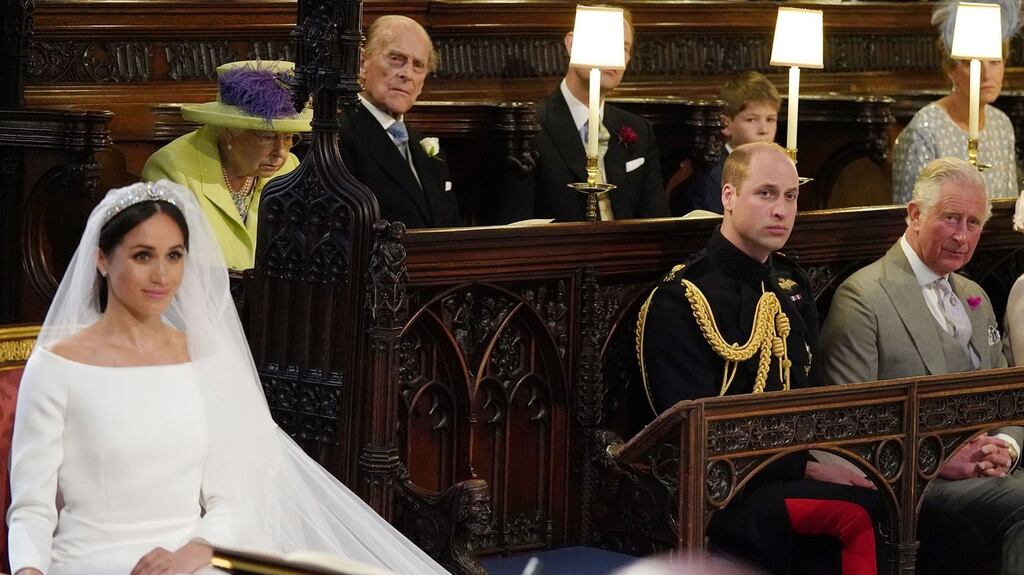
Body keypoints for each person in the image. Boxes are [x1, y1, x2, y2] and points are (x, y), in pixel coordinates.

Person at [7, 181, 450, 575]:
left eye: (174, 256)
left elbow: (232, 494)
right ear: (102, 260)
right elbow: (31, 506)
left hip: (193, 561)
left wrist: (196, 550)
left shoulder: (204, 360)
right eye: (143, 256)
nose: (162, 275)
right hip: (89, 561)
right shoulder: (57, 366)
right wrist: (28, 569)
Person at [638, 142, 883, 575]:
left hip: (790, 467)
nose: (781, 210)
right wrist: (804, 466)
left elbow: (809, 392)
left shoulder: (789, 281)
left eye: (790, 196)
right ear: (728, 197)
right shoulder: (681, 298)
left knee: (894, 495)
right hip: (724, 487)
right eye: (766, 193)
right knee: (857, 511)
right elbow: (692, 429)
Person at [820, 157, 1024, 574]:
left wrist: (1007, 447)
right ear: (914, 214)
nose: (962, 236)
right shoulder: (864, 298)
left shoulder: (975, 296)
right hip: (915, 485)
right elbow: (847, 426)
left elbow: (1009, 398)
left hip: (991, 476)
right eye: (951, 218)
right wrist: (937, 459)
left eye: (973, 223)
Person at [499, 7, 668, 223]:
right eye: (603, 43)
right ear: (571, 45)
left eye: (622, 48)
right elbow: (515, 225)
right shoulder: (530, 127)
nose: (612, 57)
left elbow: (657, 220)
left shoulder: (639, 130)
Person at [142, 60, 311, 271]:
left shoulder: (289, 169)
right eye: (267, 137)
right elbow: (166, 263)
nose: (281, 153)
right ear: (230, 132)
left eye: (288, 137)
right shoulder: (172, 169)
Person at [337, 15, 461, 229]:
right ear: (362, 63)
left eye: (418, 65)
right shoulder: (339, 135)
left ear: (422, 84)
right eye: (396, 59)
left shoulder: (425, 146)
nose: (407, 74)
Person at [890, 0, 1020, 204]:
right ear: (951, 69)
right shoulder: (925, 129)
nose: (986, 74)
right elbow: (909, 213)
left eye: (995, 62)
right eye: (971, 64)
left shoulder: (1002, 124)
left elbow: (1009, 205)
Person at [669, 71, 780, 215]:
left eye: (770, 119)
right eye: (751, 120)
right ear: (726, 125)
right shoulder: (711, 174)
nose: (764, 130)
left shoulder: (778, 167)